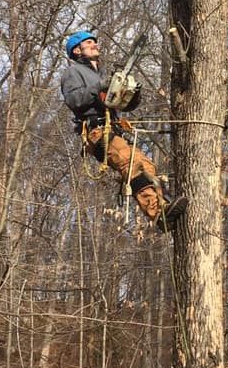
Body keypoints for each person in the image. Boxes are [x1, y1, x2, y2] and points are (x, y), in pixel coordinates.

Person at [60, 30, 186, 232]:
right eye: (89, 43)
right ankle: (157, 213)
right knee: (132, 164)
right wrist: (99, 87)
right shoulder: (73, 72)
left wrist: (132, 94)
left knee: (146, 165)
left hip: (113, 131)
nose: (95, 45)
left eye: (95, 42)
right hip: (96, 131)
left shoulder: (100, 74)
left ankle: (164, 210)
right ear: (77, 50)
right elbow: (74, 100)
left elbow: (119, 104)